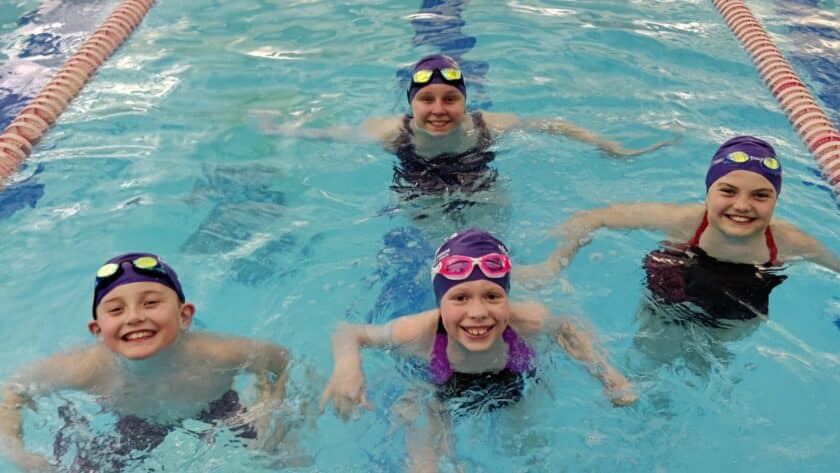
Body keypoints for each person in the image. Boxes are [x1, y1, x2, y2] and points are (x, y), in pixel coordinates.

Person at [320, 229, 636, 472]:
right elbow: (347, 331)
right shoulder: (416, 332)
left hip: (512, 383)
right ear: (440, 301)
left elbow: (567, 328)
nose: (478, 312)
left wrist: (609, 375)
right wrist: (348, 366)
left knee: (530, 456)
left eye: (492, 296)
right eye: (460, 298)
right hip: (436, 390)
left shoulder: (529, 320)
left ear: (506, 298)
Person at [0, 253, 291, 472]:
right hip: (133, 422)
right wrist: (20, 453)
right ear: (97, 331)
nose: (134, 317)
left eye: (151, 303)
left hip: (217, 406)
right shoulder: (85, 368)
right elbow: (11, 392)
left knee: (281, 457)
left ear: (184, 316)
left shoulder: (217, 354)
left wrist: (268, 406)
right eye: (116, 310)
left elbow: (282, 361)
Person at [519, 135, 840, 327]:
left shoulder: (789, 242)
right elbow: (593, 218)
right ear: (707, 193)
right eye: (728, 191)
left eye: (760, 196)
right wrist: (554, 262)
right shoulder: (684, 221)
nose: (742, 205)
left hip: (744, 295)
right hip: (676, 277)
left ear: (776, 200)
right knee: (649, 355)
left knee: (709, 366)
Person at [264, 54, 677, 199]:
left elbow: (553, 126)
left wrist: (610, 146)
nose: (439, 109)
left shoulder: (488, 125)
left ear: (466, 101)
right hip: (416, 189)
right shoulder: (390, 130)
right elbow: (337, 134)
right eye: (427, 99)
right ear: (412, 103)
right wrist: (285, 131)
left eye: (450, 98)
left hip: (481, 183)